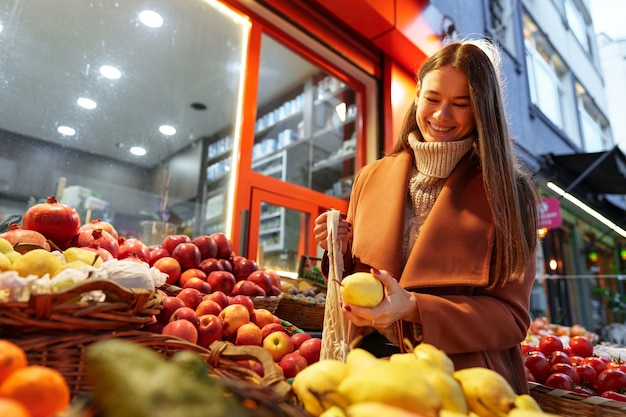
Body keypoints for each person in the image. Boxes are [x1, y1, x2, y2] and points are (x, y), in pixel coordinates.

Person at [314, 38, 538, 395]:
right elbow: (355, 282)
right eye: (432, 99)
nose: (441, 115)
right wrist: (338, 251)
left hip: (458, 382)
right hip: (363, 370)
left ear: (483, 109)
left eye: (461, 104)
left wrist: (415, 308)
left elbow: (511, 319)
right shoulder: (371, 177)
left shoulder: (510, 194)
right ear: (417, 93)